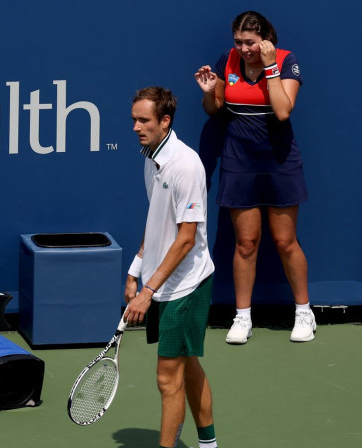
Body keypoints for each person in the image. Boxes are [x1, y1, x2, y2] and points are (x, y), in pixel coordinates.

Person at [194, 10, 315, 344]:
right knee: (246, 243)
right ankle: (242, 317)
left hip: (280, 162)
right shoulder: (227, 61)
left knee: (284, 241)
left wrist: (271, 67)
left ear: (265, 38)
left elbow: (282, 110)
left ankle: (304, 312)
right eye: (238, 42)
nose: (244, 49)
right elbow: (215, 108)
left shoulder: (287, 61)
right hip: (239, 162)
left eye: (250, 42)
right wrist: (208, 92)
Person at [124, 87, 217, 448]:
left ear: (165, 121)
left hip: (185, 286)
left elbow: (185, 239)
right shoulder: (151, 157)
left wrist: (148, 291)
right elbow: (157, 224)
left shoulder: (186, 165)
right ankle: (209, 444)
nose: (135, 127)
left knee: (167, 377)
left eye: (143, 120)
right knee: (187, 365)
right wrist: (136, 270)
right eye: (133, 119)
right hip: (161, 281)